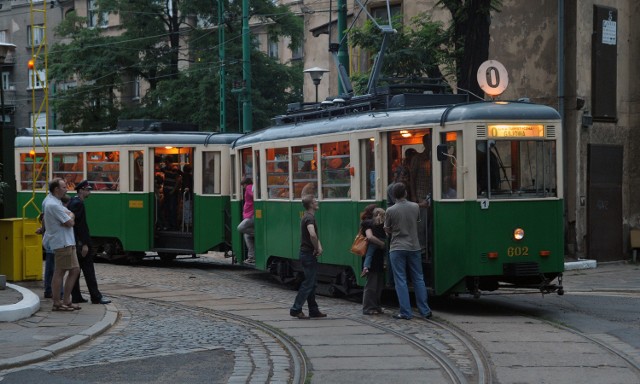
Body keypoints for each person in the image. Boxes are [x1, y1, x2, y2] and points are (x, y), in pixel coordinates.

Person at [384, 182, 432, 320]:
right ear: (405, 193)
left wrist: (391, 230)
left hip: (397, 247)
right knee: (418, 278)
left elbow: (387, 229)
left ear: (393, 195)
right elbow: (416, 221)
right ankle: (425, 310)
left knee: (400, 280)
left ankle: (406, 312)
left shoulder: (390, 210)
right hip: (414, 246)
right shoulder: (415, 206)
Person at [69, 180, 111, 305]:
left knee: (76, 270)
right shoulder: (78, 204)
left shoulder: (74, 201)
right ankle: (96, 296)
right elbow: (80, 226)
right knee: (88, 270)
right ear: (81, 190)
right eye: (87, 190)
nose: (89, 192)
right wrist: (85, 243)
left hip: (76, 242)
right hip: (81, 243)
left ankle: (76, 296)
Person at [43, 178, 81, 312]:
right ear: (56, 189)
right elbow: (70, 223)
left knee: (75, 270)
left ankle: (66, 300)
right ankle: (57, 303)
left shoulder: (55, 201)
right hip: (62, 242)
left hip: (68, 241)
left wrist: (70, 216)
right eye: (64, 187)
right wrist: (70, 217)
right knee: (60, 271)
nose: (67, 189)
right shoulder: (52, 204)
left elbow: (70, 217)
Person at [289, 195, 327, 319]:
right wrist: (317, 247)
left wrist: (318, 246)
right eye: (315, 201)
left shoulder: (306, 216)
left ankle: (313, 310)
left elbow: (314, 235)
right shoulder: (310, 218)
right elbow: (312, 234)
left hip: (306, 253)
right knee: (308, 283)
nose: (317, 202)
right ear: (311, 204)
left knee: (312, 283)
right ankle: (296, 309)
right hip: (308, 254)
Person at [360, 206, 387, 316]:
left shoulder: (377, 223)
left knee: (378, 284)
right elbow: (370, 237)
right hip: (373, 258)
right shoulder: (367, 223)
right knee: (372, 284)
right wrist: (382, 244)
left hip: (378, 257)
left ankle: (376, 306)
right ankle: (368, 307)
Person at [410, 134, 432, 251]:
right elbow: (412, 178)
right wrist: (414, 196)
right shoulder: (417, 159)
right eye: (428, 142)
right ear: (424, 143)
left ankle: (430, 246)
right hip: (421, 194)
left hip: (435, 194)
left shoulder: (436, 157)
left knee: (431, 224)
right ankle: (422, 247)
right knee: (421, 224)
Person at [237, 177, 255, 264]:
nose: (243, 187)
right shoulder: (251, 187)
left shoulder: (249, 187)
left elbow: (253, 195)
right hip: (250, 214)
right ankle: (252, 257)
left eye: (243, 185)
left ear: (245, 184)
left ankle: (258, 234)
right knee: (246, 236)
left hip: (251, 215)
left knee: (240, 228)